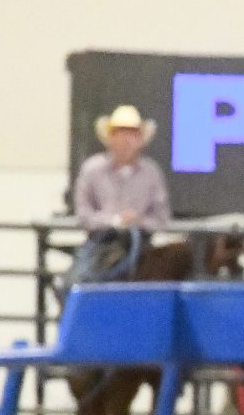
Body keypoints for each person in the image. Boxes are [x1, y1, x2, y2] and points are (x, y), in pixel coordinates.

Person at [66, 104, 172, 284]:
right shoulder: (92, 169)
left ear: (140, 139)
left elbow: (161, 217)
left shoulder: (151, 172)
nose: (126, 140)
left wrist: (138, 221)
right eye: (120, 133)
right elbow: (83, 215)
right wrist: (114, 221)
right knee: (74, 282)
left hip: (142, 247)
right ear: (110, 138)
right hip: (100, 244)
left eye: (132, 134)